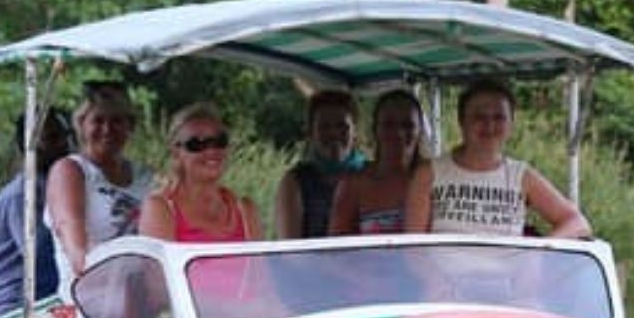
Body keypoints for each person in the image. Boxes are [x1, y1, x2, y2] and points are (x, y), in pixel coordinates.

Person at [405, 78, 592, 239]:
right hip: (445, 280)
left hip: (510, 281)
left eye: (499, 117)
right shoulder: (429, 174)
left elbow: (576, 222)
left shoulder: (522, 176)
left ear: (511, 123)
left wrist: (542, 251)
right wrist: (437, 282)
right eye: (479, 117)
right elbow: (413, 250)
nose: (489, 125)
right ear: (461, 120)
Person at [45, 79, 153, 282]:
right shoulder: (69, 170)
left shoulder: (145, 175)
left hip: (141, 295)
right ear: (82, 124)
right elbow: (75, 245)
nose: (107, 129)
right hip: (88, 294)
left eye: (117, 121)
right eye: (98, 120)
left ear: (130, 126)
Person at [0, 108, 73, 318]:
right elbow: (39, 255)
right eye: (52, 139)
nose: (64, 145)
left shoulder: (59, 184)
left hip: (46, 298)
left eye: (65, 137)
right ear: (28, 145)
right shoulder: (21, 194)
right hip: (8, 304)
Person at [138, 104, 261, 244]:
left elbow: (258, 266)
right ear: (176, 152)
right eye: (196, 144)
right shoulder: (161, 208)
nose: (211, 151)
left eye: (219, 141)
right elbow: (159, 266)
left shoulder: (245, 210)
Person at [330, 90, 427, 235]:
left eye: (408, 125)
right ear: (375, 129)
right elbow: (336, 249)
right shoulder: (353, 184)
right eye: (389, 124)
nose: (399, 133)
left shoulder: (435, 179)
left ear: (420, 131)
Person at [275, 88, 364, 238]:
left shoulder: (370, 174)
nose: (334, 134)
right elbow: (290, 253)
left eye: (342, 126)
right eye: (324, 127)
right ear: (311, 132)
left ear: (355, 131)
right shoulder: (296, 181)